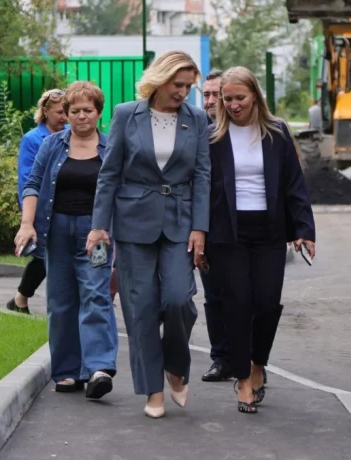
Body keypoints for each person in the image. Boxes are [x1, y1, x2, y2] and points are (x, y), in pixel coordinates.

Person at [87, 50, 211, 419]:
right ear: (159, 80)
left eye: (188, 86)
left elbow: (202, 176)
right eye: (178, 85)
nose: (183, 92)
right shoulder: (127, 114)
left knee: (178, 299)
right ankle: (153, 390)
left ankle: (175, 366)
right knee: (140, 308)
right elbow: (109, 173)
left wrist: (200, 227)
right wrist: (99, 225)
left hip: (179, 222)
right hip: (133, 221)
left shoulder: (197, 118)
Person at [205, 66, 316, 414]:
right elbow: (201, 190)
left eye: (240, 97)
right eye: (227, 99)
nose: (233, 105)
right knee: (237, 305)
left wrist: (304, 229)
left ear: (254, 95)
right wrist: (199, 235)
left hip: (269, 232)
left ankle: (257, 363)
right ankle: (242, 380)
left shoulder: (276, 133)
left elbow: (294, 184)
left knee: (267, 304)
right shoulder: (212, 137)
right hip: (227, 234)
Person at [14, 81, 119, 399]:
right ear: (66, 113)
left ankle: (98, 368)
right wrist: (27, 224)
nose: (81, 116)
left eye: (88, 110)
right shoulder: (52, 144)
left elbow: (122, 190)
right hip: (56, 231)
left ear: (99, 113)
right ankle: (67, 371)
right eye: (74, 111)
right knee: (60, 302)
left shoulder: (111, 147)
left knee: (96, 295)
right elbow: (33, 183)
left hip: (96, 234)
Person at [7, 89, 67, 314]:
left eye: (66, 111)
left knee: (55, 255)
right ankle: (20, 299)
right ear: (45, 112)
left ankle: (20, 299)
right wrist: (28, 218)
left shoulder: (71, 134)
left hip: (65, 205)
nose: (64, 117)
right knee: (43, 255)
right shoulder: (32, 139)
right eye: (59, 112)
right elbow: (27, 180)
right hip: (40, 207)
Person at [198, 69, 233, 382]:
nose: (209, 101)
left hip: (244, 231)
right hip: (208, 231)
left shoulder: (245, 132)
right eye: (205, 94)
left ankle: (250, 360)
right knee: (215, 298)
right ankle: (221, 359)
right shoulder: (199, 134)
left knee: (248, 298)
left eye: (215, 94)